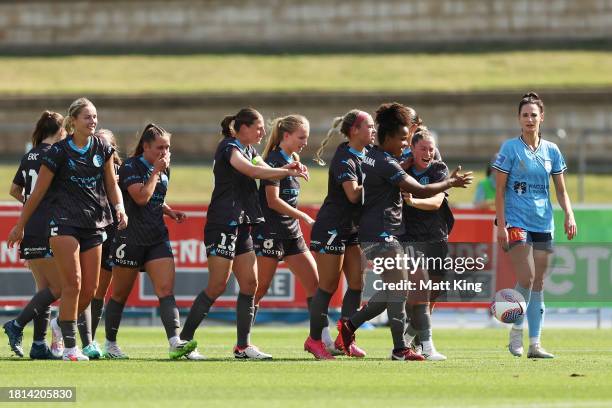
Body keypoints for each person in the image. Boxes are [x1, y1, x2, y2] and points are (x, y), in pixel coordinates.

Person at [336, 102, 472, 361]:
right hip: (382, 234)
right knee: (401, 289)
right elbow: (419, 190)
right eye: (401, 139)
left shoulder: (374, 156)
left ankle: (351, 326)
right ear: (387, 137)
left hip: (377, 232)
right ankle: (400, 347)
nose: (404, 144)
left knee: (398, 288)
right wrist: (451, 183)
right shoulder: (387, 163)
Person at [179, 108, 308, 359]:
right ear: (244, 127)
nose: (263, 132)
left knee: (250, 284)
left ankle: (243, 346)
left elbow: (265, 167)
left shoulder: (250, 151)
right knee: (217, 285)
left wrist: (286, 167)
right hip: (223, 223)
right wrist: (288, 171)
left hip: (243, 224)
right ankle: (182, 341)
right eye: (258, 127)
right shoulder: (229, 147)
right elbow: (253, 171)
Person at [7, 97, 128, 361]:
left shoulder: (103, 148)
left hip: (94, 224)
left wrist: (119, 207)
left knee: (90, 289)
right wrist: (20, 225)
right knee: (72, 284)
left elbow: (111, 184)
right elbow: (37, 193)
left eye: (95, 116)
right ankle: (71, 348)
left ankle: (62, 322)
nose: (93, 121)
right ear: (73, 121)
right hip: (63, 224)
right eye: (87, 117)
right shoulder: (57, 152)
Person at [492, 92, 576, 358]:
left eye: (534, 115)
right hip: (516, 222)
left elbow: (561, 190)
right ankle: (516, 333)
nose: (530, 119)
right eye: (525, 115)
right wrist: (501, 225)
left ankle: (535, 344)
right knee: (526, 277)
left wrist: (569, 214)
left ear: (542, 118)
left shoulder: (552, 150)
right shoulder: (509, 148)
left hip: (544, 222)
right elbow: (500, 190)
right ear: (519, 119)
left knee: (538, 282)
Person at [102, 123, 197, 360]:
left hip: (156, 237)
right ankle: (110, 344)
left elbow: (155, 197)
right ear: (145, 146)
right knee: (120, 294)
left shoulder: (164, 168)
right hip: (129, 237)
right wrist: (155, 171)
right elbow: (141, 197)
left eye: (167, 147)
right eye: (159, 147)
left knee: (165, 290)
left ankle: (175, 342)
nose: (164, 152)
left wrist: (169, 211)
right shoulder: (131, 167)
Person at [305, 109, 375, 360]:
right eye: (369, 126)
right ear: (354, 131)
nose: (373, 130)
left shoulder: (369, 155)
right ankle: (314, 340)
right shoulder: (344, 157)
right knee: (328, 286)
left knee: (357, 283)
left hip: (352, 229)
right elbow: (353, 194)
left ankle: (345, 338)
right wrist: (378, 179)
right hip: (332, 227)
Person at [3, 111, 66, 359]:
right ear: (60, 131)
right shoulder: (55, 154)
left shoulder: (30, 154)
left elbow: (14, 189)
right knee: (60, 287)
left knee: (44, 289)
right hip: (48, 227)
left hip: (32, 225)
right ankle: (16, 325)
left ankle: (39, 345)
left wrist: (31, 203)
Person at [253, 115, 318, 328]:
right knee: (259, 289)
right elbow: (273, 201)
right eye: (302, 137)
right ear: (286, 135)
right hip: (270, 232)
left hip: (292, 233)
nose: (305, 142)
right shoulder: (273, 161)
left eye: (306, 137)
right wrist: (304, 216)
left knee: (315, 286)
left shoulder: (293, 160)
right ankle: (243, 339)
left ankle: (320, 338)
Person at [399, 128, 454, 361]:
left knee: (434, 292)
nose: (428, 153)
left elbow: (436, 202)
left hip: (437, 236)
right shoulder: (402, 170)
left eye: (431, 149)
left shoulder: (439, 169)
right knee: (418, 293)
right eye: (423, 148)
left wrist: (412, 201)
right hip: (411, 238)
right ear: (412, 148)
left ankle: (409, 337)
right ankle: (427, 345)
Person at [76, 129, 122, 359]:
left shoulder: (119, 171)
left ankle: (90, 340)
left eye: (104, 144)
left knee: (98, 291)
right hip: (90, 228)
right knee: (83, 287)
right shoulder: (84, 166)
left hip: (112, 233)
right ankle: (75, 337)